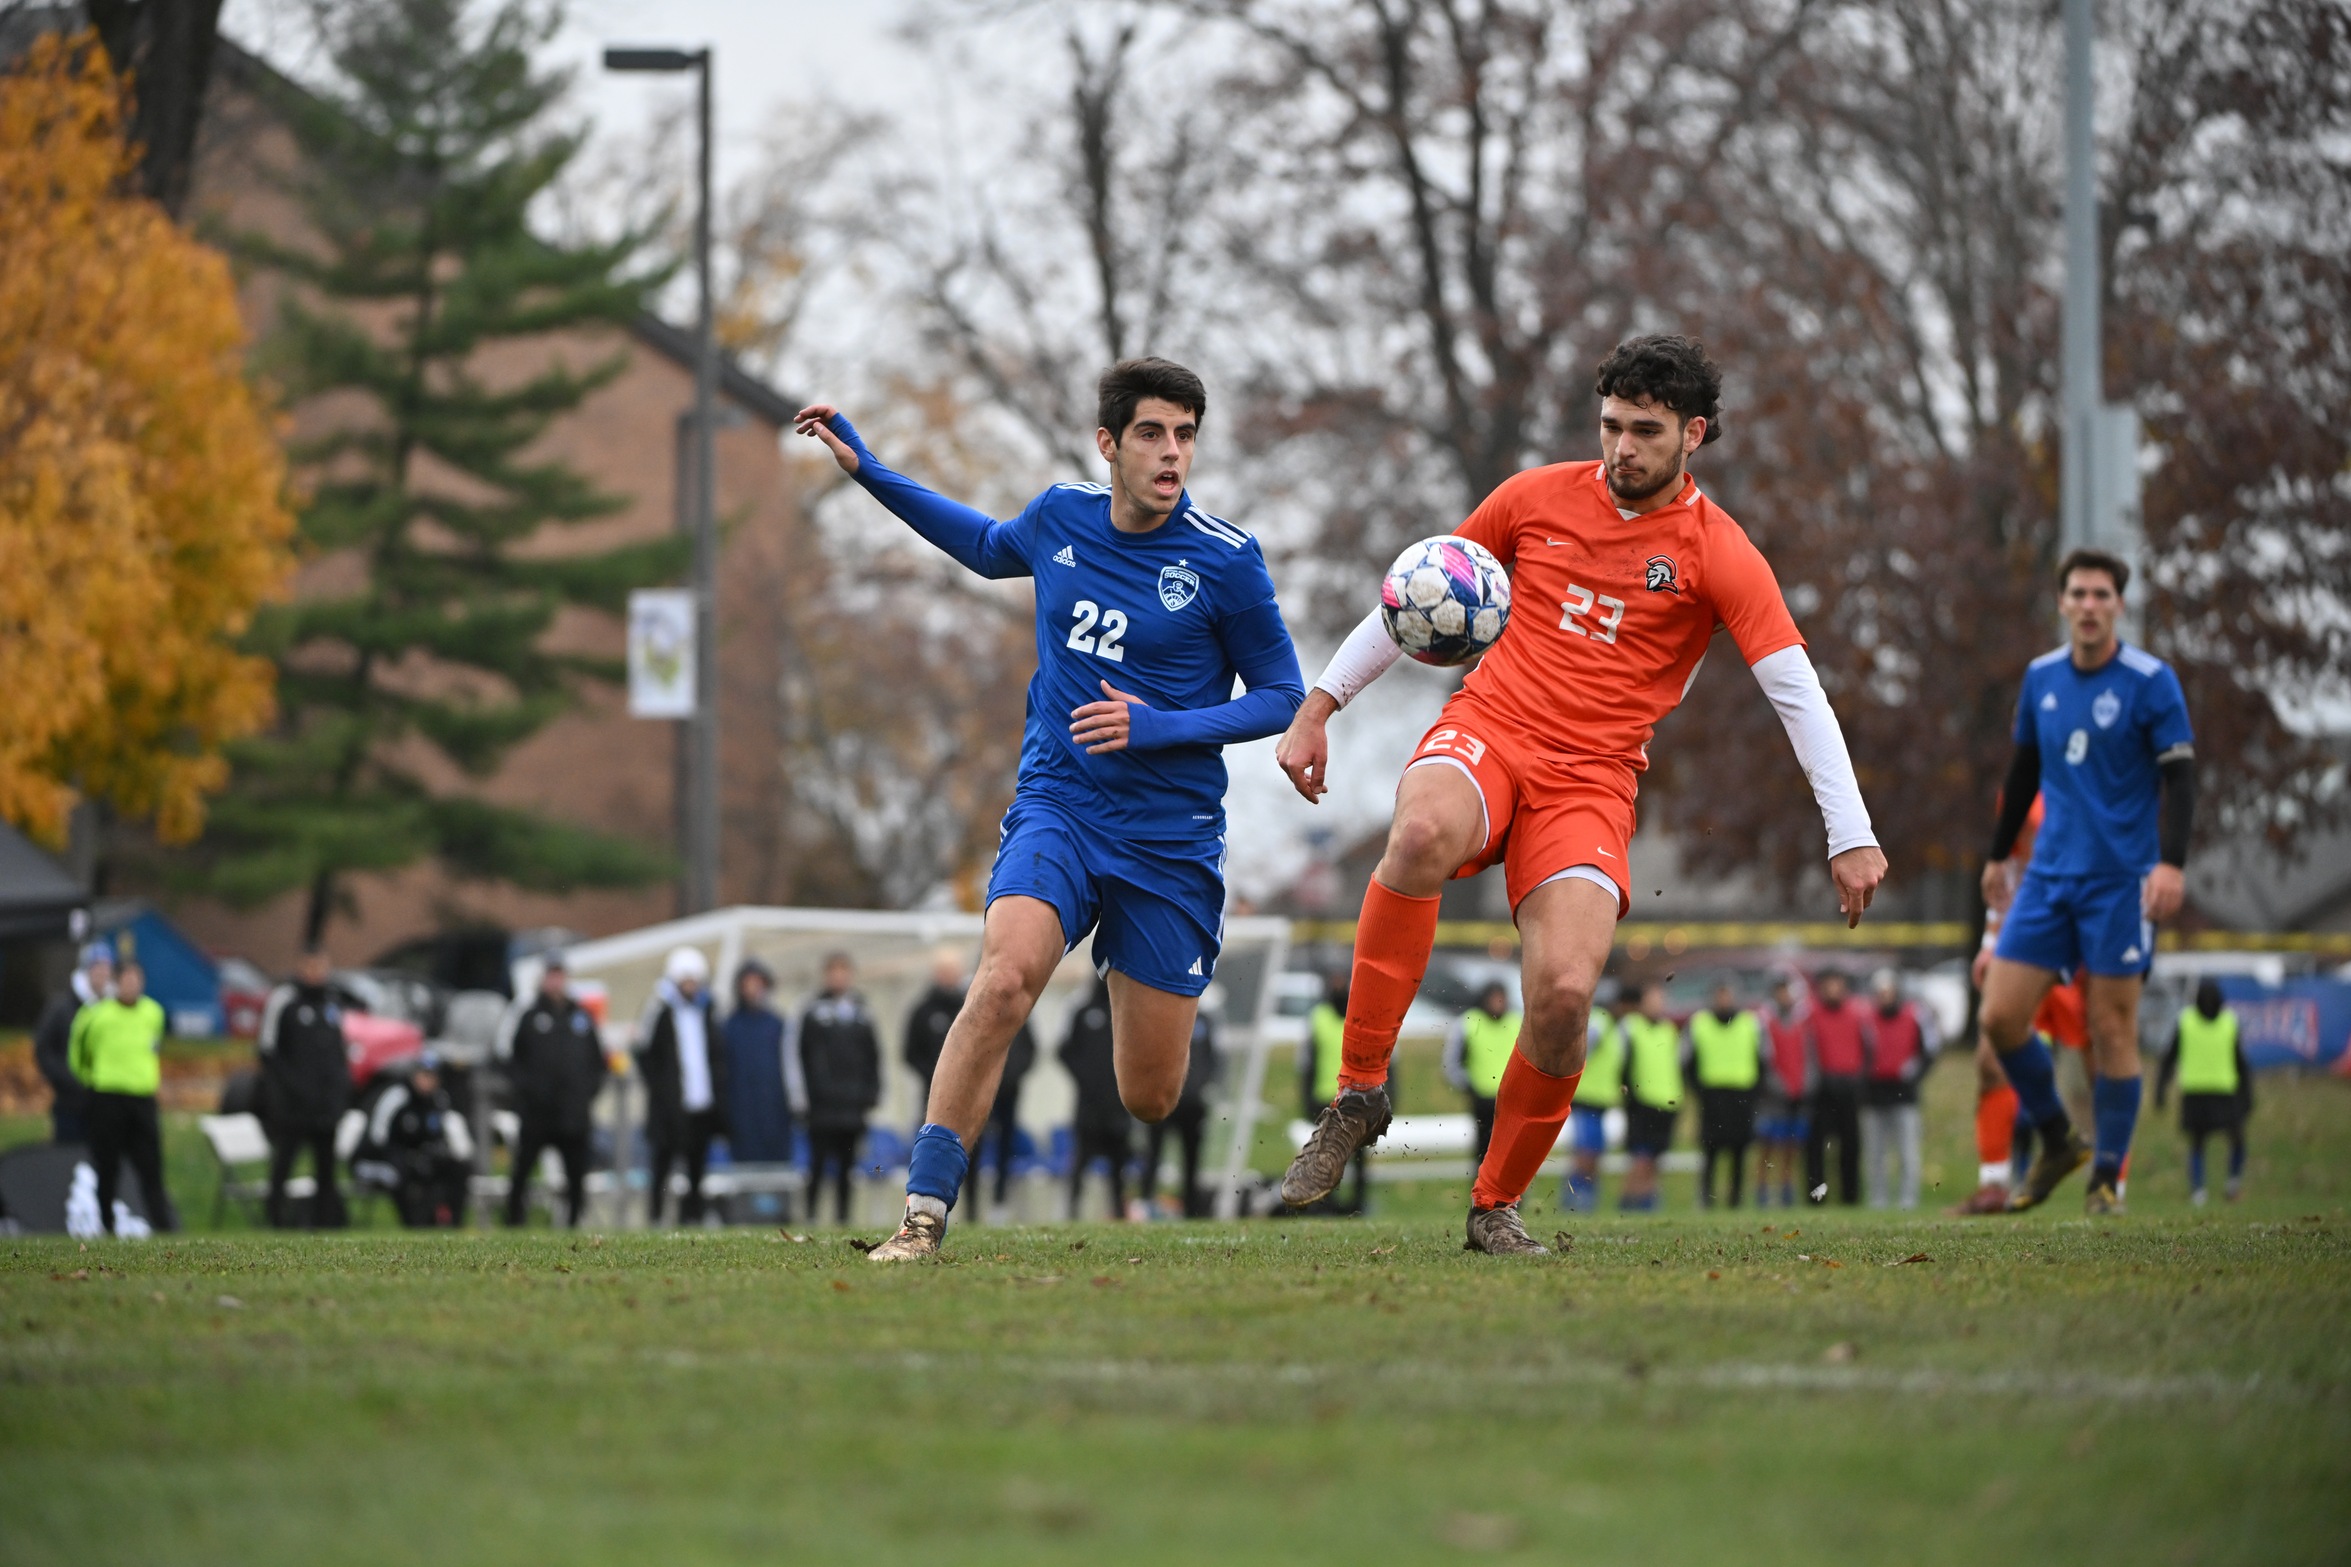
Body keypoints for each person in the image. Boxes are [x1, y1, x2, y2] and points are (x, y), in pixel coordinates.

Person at [1271, 335, 1886, 1253]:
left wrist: (1850, 831)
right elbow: (1418, 593)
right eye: (1610, 425)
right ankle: (1359, 1089)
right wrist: (1318, 705)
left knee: (1562, 995)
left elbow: (1794, 690)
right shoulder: (1532, 498)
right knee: (1418, 832)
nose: (1622, 447)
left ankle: (1493, 1207)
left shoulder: (1720, 554)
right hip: (1491, 727)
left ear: (1694, 435)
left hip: (1593, 781)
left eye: (1645, 430)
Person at [797, 358, 1306, 1260]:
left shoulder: (1226, 562)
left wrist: (1160, 727)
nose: (1171, 452)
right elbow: (986, 544)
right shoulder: (1061, 517)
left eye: (1186, 434)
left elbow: (1280, 694)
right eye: (1152, 433)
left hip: (1168, 840)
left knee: (1150, 1092)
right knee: (1000, 982)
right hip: (1059, 807)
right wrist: (868, 469)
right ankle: (922, 1216)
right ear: (1108, 443)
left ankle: (1131, 958)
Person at [1977, 549, 2196, 1216]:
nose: (2090, 604)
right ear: (2063, 603)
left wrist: (2169, 863)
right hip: (2046, 877)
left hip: (2117, 883)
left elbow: (2181, 778)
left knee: (2110, 1028)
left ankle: (2107, 1177)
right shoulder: (2041, 676)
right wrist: (1994, 857)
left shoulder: (2150, 681)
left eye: (2102, 594)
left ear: (2118, 606)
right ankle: (2055, 1139)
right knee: (1999, 1016)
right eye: (2078, 593)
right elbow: (2022, 771)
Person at [1955, 792, 2089, 1215]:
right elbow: (2007, 877)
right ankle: (1995, 1182)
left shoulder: (2078, 776)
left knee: (2099, 1059)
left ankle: (2108, 1182)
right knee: (1991, 1056)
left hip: (2078, 937)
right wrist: (1990, 942)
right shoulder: (2016, 790)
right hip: (2024, 943)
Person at [497, 953, 606, 1228]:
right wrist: (526, 1091)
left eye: (560, 975)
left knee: (576, 1172)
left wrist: (586, 1092)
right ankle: (514, 1221)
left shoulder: (580, 1016)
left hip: (573, 1112)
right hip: (537, 1112)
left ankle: (573, 1223)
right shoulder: (529, 1015)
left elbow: (598, 1061)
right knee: (522, 1169)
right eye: (551, 975)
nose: (556, 982)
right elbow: (510, 1058)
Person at [68, 959, 177, 1234]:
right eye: (127, 980)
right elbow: (79, 1054)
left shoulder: (153, 1012)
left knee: (151, 1165)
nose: (132, 985)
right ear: (116, 982)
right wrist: (90, 1082)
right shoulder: (96, 1014)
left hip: (142, 1098)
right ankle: (107, 1223)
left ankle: (163, 1228)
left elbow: (154, 1047)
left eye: (137, 979)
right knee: (108, 1164)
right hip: (107, 1097)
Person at [256, 947, 352, 1229]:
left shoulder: (331, 1003)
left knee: (326, 1170)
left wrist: (339, 1092)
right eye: (310, 967)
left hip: (326, 1107)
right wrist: (287, 1092)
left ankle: (325, 1224)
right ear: (300, 967)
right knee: (284, 1164)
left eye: (321, 967)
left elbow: (338, 1052)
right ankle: (275, 1220)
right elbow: (267, 1051)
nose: (316, 974)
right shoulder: (284, 1000)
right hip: (293, 1107)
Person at [636, 946, 727, 1225]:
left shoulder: (707, 1009)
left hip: (700, 1102)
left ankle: (692, 1216)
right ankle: (656, 1215)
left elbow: (715, 1054)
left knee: (696, 1164)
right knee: (662, 1163)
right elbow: (643, 1051)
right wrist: (661, 1088)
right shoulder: (660, 1009)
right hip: (669, 1104)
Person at [792, 953, 881, 1226]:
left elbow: (874, 1057)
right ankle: (810, 1215)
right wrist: (803, 1098)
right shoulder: (812, 1012)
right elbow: (799, 1057)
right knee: (817, 1164)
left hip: (852, 1107)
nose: (839, 977)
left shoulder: (862, 1013)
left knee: (847, 1166)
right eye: (834, 972)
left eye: (844, 972)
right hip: (821, 1107)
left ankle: (844, 1217)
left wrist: (871, 1093)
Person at [2155, 979, 2252, 1205]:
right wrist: (2247, 1095)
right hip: (2222, 1092)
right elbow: (2241, 1063)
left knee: (2198, 1144)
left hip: (2197, 1092)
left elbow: (2169, 1059)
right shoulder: (2229, 1022)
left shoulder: (2186, 1021)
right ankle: (2232, 1182)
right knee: (2235, 1141)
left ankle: (2199, 1191)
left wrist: (2161, 1088)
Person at [359, 1052, 472, 1227]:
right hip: (388, 1156)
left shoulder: (439, 1100)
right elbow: (378, 1138)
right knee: (400, 1173)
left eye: (432, 1076)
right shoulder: (397, 1097)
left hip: (423, 1156)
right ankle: (413, 1224)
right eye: (423, 1075)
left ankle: (452, 1224)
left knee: (456, 1168)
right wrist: (405, 1158)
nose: (427, 1081)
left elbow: (452, 1136)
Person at [1860, 969, 1938, 1210]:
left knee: (1907, 1152)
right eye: (1880, 993)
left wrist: (1914, 1073)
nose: (1885, 997)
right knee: (1875, 1154)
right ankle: (1878, 1201)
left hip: (1905, 1094)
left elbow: (1930, 1050)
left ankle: (1907, 1200)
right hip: (1874, 1094)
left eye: (1888, 992)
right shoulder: (1867, 1019)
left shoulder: (1914, 1015)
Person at [1059, 976, 1133, 1220]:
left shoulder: (1126, 1012)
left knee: (1117, 1167)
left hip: (1118, 1105)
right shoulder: (1083, 1011)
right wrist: (1086, 1077)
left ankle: (1119, 1214)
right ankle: (1071, 1212)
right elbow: (1064, 1050)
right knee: (1080, 1162)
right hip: (1088, 1107)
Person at [1689, 979, 1762, 1209]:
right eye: (1720, 995)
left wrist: (1755, 1092)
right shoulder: (1699, 1023)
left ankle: (1735, 1201)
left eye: (1727, 994)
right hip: (1712, 1096)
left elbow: (1763, 1061)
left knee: (1739, 1151)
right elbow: (1687, 1062)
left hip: (1741, 1096)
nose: (1724, 1000)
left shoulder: (1751, 1023)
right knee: (1710, 1151)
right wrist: (1699, 1091)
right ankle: (1706, 1201)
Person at [1300, 970, 1367, 1215]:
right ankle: (1326, 1204)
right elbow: (1306, 1061)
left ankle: (1358, 1204)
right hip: (1326, 1097)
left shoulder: (1362, 1014)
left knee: (1359, 1156)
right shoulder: (1317, 1017)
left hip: (1358, 1097)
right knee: (1326, 1155)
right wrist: (1306, 1098)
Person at [1145, 1002, 1221, 1217]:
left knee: (1191, 1159)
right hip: (1161, 1099)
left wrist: (1202, 1087)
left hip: (1192, 1104)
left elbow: (1213, 1057)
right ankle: (1147, 1206)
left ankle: (1191, 1210)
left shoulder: (1205, 1018)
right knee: (1153, 1154)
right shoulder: (1160, 1012)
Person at [962, 1017, 1037, 1223]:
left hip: (1008, 1093)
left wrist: (1011, 1077)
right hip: (979, 1092)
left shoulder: (1019, 1013)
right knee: (973, 1147)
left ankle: (999, 1201)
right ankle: (971, 1208)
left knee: (1005, 1147)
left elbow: (1029, 1050)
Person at [34, 940, 110, 1144]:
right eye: (97, 968)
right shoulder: (61, 1007)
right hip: (69, 1102)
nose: (102, 974)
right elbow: (43, 1048)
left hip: (103, 1102)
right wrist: (67, 1080)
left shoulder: (110, 1009)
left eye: (106, 969)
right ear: (87, 971)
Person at [723, 960, 795, 1168]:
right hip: (742, 1117)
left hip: (775, 1116)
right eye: (748, 984)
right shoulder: (730, 1027)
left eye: (758, 983)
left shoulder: (777, 1024)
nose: (753, 989)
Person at [1804, 971, 1867, 1206]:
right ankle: (1816, 1198)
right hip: (1822, 1088)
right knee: (1816, 1148)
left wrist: (1860, 1080)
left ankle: (1850, 1197)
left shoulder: (1856, 1014)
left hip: (1849, 1087)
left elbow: (1867, 1048)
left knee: (1850, 1146)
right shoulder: (1811, 1015)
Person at [1619, 983, 1682, 1211]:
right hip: (1642, 1102)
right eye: (1652, 1000)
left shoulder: (1669, 1029)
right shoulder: (1631, 1027)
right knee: (1640, 1159)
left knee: (1655, 1158)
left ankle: (1647, 1203)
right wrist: (1628, 1095)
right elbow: (1622, 1064)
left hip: (1666, 1101)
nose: (1657, 1005)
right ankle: (1629, 1204)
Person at [1442, 982, 1520, 1163]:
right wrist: (1468, 1086)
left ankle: (1517, 1191)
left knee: (1514, 1152)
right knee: (1484, 1152)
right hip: (1482, 1100)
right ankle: (1482, 1190)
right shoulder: (1468, 1022)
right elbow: (1451, 1063)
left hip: (1513, 1099)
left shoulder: (1516, 1021)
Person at [1562, 990, 1622, 1213]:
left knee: (1593, 1151)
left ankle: (1584, 1200)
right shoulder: (1600, 1020)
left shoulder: (1609, 1025)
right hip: (1587, 1099)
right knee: (1585, 1151)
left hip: (1599, 1101)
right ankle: (1575, 1200)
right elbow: (1581, 1049)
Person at [1756, 977, 1811, 1208]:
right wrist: (1778, 1085)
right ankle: (1763, 1190)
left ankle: (1787, 1189)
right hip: (1773, 1096)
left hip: (1798, 1094)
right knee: (1768, 1145)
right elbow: (1764, 1060)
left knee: (1792, 1145)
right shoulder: (1765, 1022)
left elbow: (1809, 1058)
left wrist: (1806, 1084)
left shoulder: (1802, 1022)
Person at [901, 950, 967, 1120]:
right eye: (945, 971)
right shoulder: (923, 1011)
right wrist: (937, 1075)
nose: (950, 976)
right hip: (932, 1093)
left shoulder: (970, 1008)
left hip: (969, 1089)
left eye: (953, 971)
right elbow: (910, 1053)